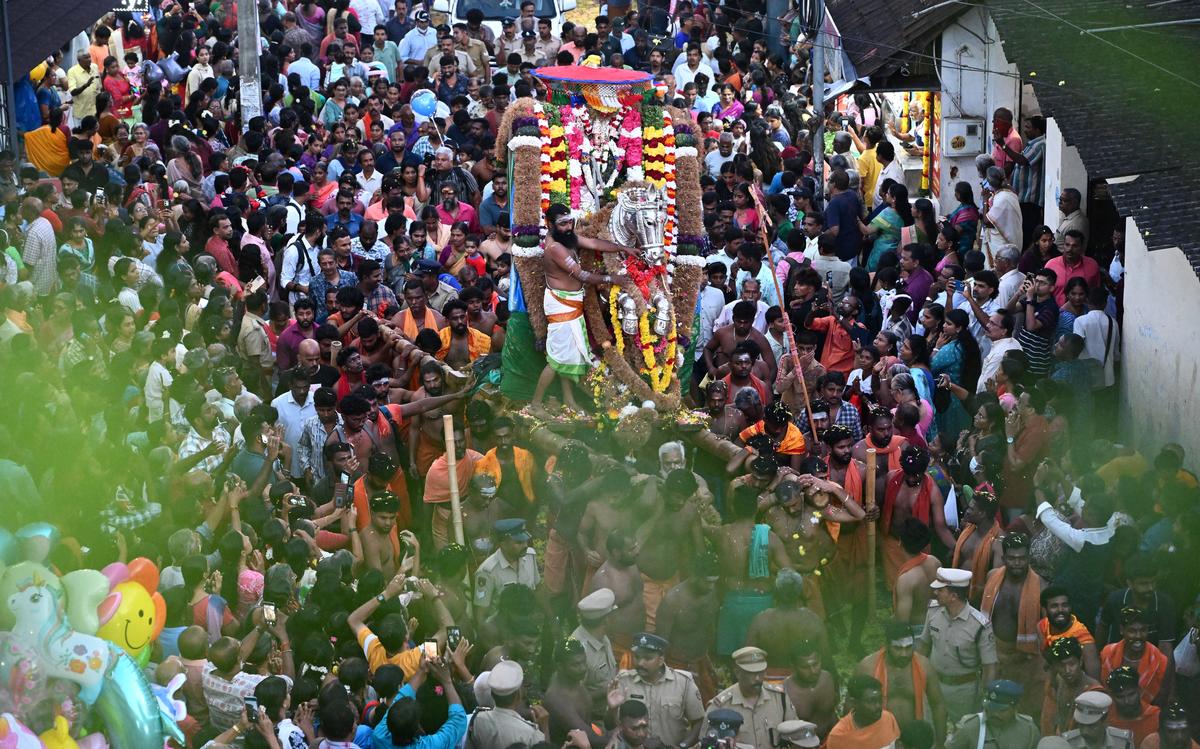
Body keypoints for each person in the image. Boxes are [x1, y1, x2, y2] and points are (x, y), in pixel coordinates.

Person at [532, 204, 637, 413]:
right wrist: (612, 278)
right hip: (561, 304)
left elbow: (592, 242)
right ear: (550, 224)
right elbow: (582, 276)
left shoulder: (567, 237)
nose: (568, 226)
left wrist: (622, 248)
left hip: (572, 301)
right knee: (556, 358)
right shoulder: (555, 248)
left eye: (570, 221)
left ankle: (569, 400)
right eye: (562, 224)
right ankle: (536, 404)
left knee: (568, 355)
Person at [918, 567, 999, 723]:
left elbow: (990, 666)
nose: (936, 593)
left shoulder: (980, 625)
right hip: (934, 684)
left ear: (953, 596)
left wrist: (986, 697)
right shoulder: (933, 612)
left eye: (940, 590)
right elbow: (923, 645)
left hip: (964, 691)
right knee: (930, 728)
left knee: (964, 731)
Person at [856, 619, 947, 745]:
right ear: (887, 645)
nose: (904, 654)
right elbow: (852, 708)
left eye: (909, 647)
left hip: (914, 740)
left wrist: (940, 743)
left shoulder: (924, 665)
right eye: (898, 648)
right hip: (878, 738)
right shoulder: (867, 667)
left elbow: (938, 705)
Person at [612, 633, 704, 749]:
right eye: (637, 657)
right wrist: (613, 709)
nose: (640, 663)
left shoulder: (683, 682)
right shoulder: (624, 681)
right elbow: (611, 725)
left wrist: (683, 746)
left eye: (647, 658)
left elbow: (699, 721)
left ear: (661, 660)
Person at [701, 646, 797, 748]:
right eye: (751, 673)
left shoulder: (780, 698)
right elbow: (706, 744)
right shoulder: (720, 706)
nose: (757, 678)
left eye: (761, 673)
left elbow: (795, 735)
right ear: (738, 673)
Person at [945, 680, 1039, 749]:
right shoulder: (969, 727)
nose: (995, 714)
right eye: (991, 708)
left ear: (1015, 708)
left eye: (1002, 711)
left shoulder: (1029, 730)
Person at [826, 675, 901, 749]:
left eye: (880, 699)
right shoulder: (838, 736)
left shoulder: (888, 718)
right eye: (871, 701)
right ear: (854, 703)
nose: (878, 706)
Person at [1059, 690, 1134, 748]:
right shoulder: (1068, 744)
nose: (1085, 732)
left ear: (1105, 722)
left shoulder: (1123, 743)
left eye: (1091, 726)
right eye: (1081, 725)